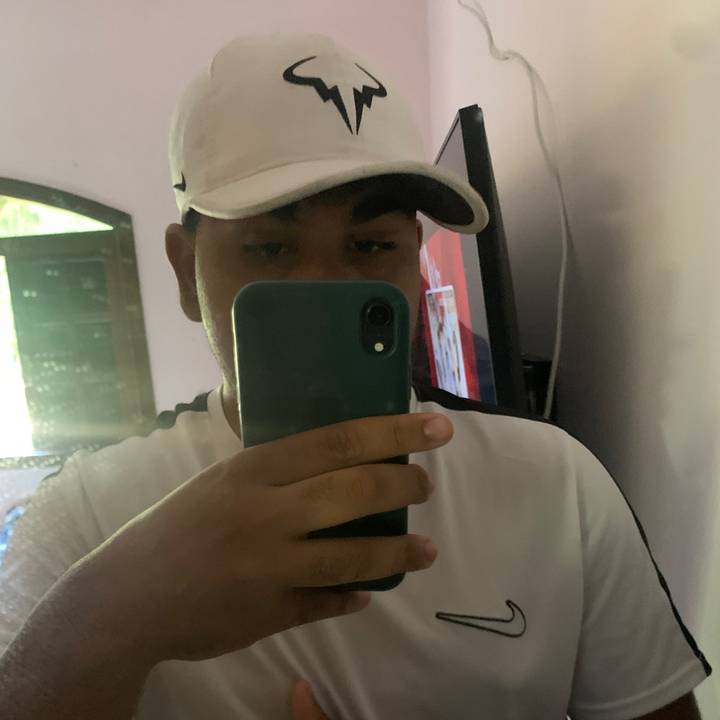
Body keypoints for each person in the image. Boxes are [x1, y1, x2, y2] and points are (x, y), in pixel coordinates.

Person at [0, 32, 712, 720]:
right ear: (188, 273)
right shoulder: (86, 519)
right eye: (271, 247)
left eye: (371, 245)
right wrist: (112, 620)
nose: (327, 289)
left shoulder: (557, 483)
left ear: (416, 263)